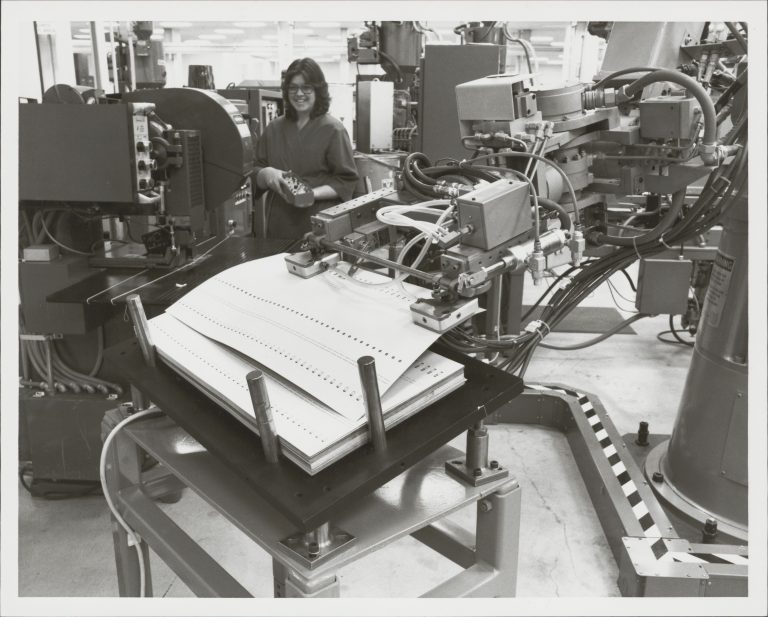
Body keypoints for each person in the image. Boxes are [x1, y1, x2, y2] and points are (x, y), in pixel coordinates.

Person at [253, 57, 358, 239]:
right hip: (280, 223)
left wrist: (310, 195)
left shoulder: (333, 129)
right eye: (293, 88)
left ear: (318, 90)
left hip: (318, 223)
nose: (299, 93)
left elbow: (346, 181)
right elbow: (254, 172)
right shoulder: (274, 129)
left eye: (306, 87)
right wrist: (265, 174)